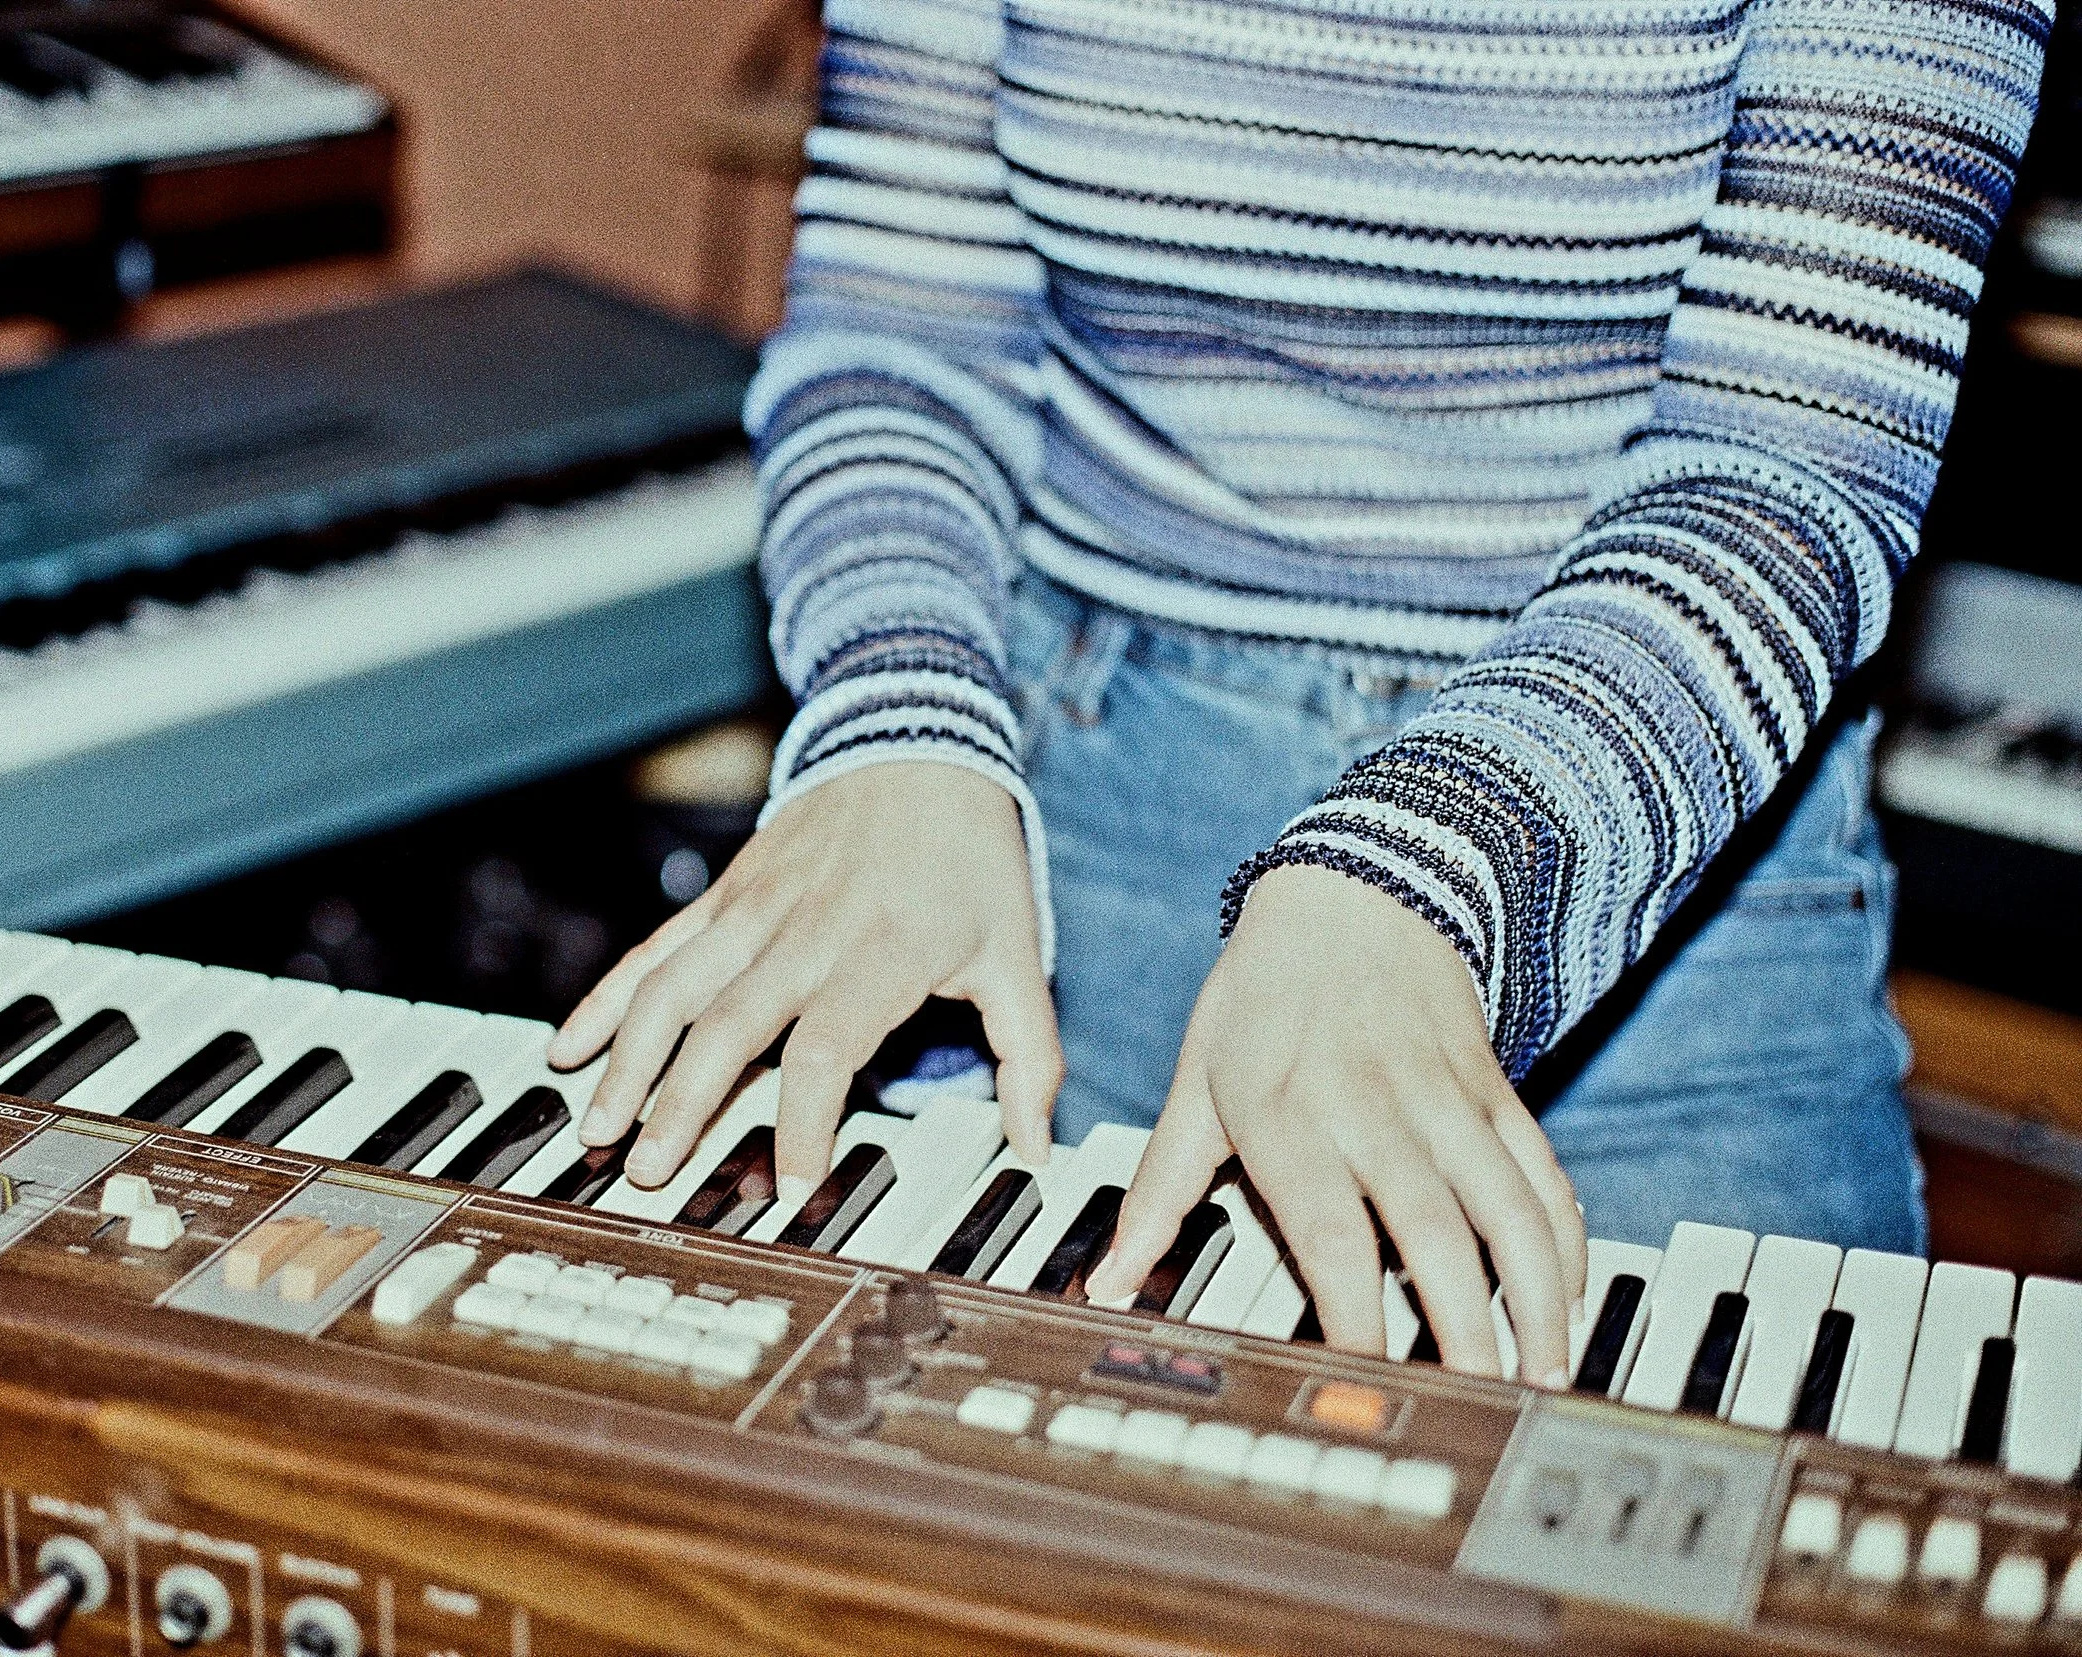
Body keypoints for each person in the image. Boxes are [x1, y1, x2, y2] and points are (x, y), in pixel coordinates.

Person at [548, 0, 2049, 1384]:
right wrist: (896, 713)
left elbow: (1786, 473)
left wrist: (1426, 868)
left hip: (1659, 865)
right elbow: (900, 340)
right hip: (1070, 823)